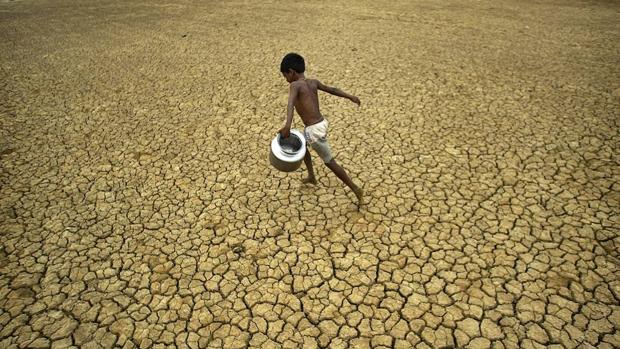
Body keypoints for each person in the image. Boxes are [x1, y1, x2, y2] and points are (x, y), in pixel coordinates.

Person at [278, 52, 364, 207]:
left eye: (285, 75)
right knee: (303, 146)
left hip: (314, 130)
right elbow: (332, 89)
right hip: (321, 123)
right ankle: (311, 176)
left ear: (291, 72)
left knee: (329, 161)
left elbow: (290, 104)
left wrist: (287, 125)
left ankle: (355, 188)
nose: (286, 79)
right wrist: (350, 96)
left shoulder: (295, 85)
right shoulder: (313, 82)